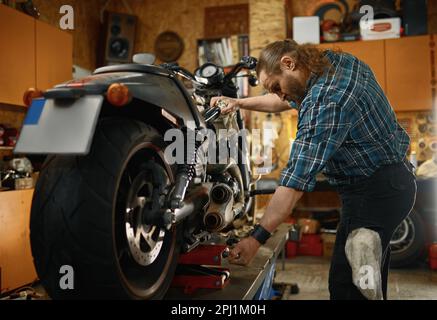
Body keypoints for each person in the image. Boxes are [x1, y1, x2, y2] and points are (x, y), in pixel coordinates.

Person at [210, 39, 417, 300]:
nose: (280, 94)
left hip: (373, 194)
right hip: (392, 184)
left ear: (289, 63)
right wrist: (238, 103)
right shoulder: (331, 64)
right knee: (368, 283)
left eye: (276, 86)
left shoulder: (326, 102)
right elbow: (281, 101)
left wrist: (255, 240)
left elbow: (295, 182)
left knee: (348, 287)